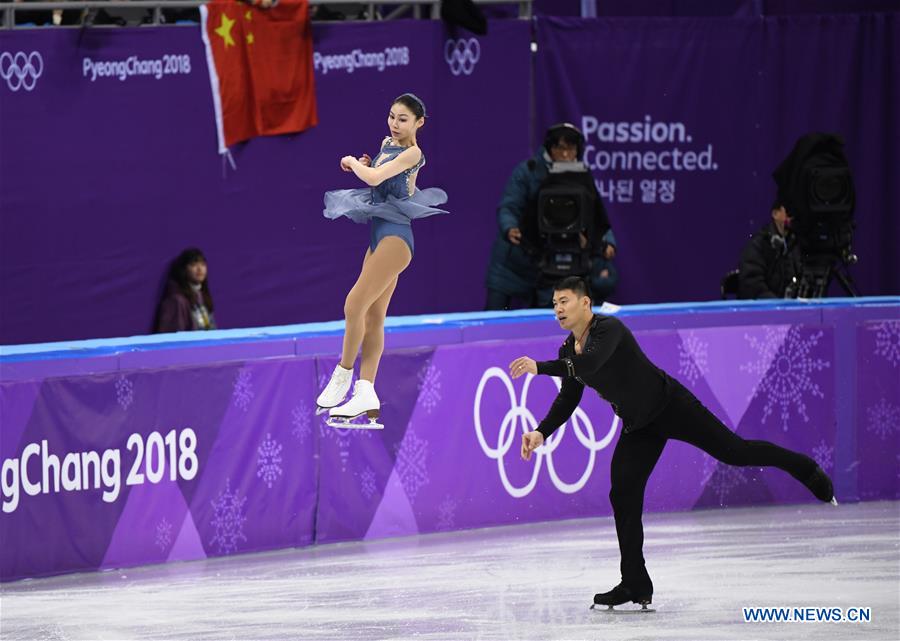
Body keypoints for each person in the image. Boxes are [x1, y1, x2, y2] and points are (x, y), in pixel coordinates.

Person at [509, 276, 836, 609]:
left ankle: (805, 468)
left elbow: (590, 363)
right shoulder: (567, 350)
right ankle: (635, 582)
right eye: (554, 303)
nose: (558, 309)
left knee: (735, 452)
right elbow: (569, 394)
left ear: (585, 303)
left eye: (564, 301)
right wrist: (541, 431)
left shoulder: (609, 330)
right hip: (639, 427)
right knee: (622, 492)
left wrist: (540, 368)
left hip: (671, 407)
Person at [316, 93, 448, 428]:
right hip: (380, 233)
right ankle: (366, 390)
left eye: (403, 119)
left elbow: (375, 179)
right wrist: (367, 163)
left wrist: (355, 164)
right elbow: (398, 185)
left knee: (352, 304)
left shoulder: (414, 152)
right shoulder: (387, 143)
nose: (395, 123)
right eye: (392, 116)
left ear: (419, 122)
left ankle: (344, 375)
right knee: (373, 317)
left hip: (396, 238)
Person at [486, 123, 617, 310]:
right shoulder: (528, 171)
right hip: (516, 261)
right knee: (494, 322)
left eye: (570, 149)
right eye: (560, 148)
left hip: (551, 263)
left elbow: (595, 215)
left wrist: (608, 241)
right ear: (550, 147)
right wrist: (510, 227)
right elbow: (509, 206)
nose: (565, 155)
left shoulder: (582, 175)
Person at [737, 199, 802, 299]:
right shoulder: (759, 244)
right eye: (788, 211)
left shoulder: (794, 244)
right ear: (775, 214)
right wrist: (777, 306)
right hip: (765, 310)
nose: (791, 216)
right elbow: (753, 284)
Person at [154, 248, 216, 333]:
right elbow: (172, 338)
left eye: (203, 264)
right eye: (194, 264)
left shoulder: (202, 295)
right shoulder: (176, 300)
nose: (200, 269)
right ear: (184, 269)